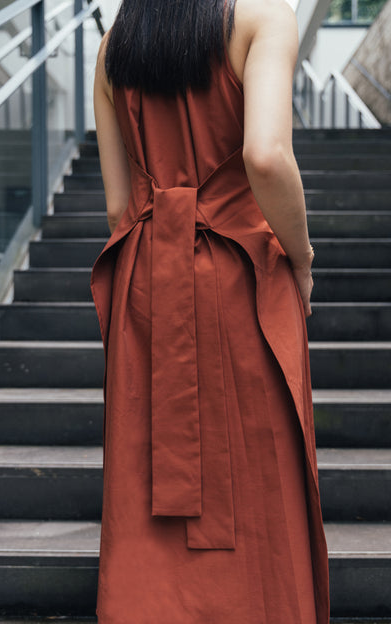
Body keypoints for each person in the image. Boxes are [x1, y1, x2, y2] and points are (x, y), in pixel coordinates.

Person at [90, 0, 330, 622]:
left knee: (144, 489)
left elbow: (120, 207)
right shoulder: (263, 19)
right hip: (237, 274)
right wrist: (300, 257)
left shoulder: (117, 42)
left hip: (147, 282)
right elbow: (267, 156)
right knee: (258, 474)